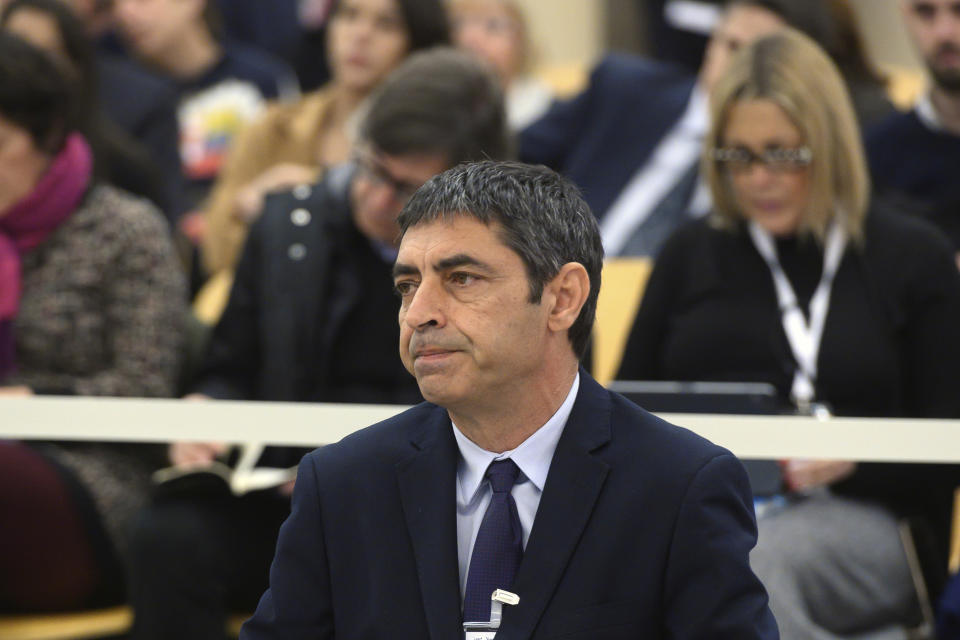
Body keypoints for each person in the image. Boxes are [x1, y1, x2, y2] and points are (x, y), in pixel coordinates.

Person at [237, 158, 778, 639]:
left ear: (562, 298)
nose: (418, 312)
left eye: (462, 278)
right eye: (407, 285)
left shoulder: (679, 486)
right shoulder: (341, 484)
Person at [127, 48, 512, 640]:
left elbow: (506, 413)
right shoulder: (287, 227)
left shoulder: (500, 271)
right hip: (277, 493)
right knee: (167, 538)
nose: (378, 197)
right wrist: (208, 408)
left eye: (406, 187)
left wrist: (343, 467)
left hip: (415, 503)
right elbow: (231, 366)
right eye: (371, 168)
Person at [617, 28, 960, 638]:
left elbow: (947, 439)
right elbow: (625, 410)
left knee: (749, 568)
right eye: (738, 155)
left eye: (783, 153)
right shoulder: (691, 251)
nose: (758, 178)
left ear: (827, 146)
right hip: (711, 508)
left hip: (870, 519)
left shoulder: (912, 255)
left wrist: (855, 461)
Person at [0, 32, 185, 611]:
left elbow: (144, 388)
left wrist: (33, 398)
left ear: (48, 138)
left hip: (93, 478)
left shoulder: (126, 230)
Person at [198, 0, 449, 281]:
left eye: (386, 24)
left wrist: (298, 202)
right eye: (349, 15)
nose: (361, 34)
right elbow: (216, 250)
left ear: (416, 43)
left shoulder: (428, 149)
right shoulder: (273, 124)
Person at [519, 0, 785, 259]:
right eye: (734, 46)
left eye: (761, 57)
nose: (740, 67)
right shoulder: (622, 88)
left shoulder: (780, 162)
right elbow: (508, 157)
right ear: (711, 44)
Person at [1, 0, 179, 220]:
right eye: (16, 52)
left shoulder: (125, 176)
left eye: (46, 55)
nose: (26, 71)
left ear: (75, 68)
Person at [112, 0, 299, 210]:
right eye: (113, 4)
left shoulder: (263, 81)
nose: (124, 14)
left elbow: (292, 170)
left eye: (142, 1)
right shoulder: (118, 98)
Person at [866, 0, 960, 257]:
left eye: (958, 10)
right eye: (925, 12)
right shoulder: (875, 156)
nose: (944, 32)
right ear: (904, 15)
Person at [451, 0, 553, 131]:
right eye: (457, 25)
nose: (470, 37)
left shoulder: (544, 109)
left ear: (520, 42)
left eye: (493, 26)